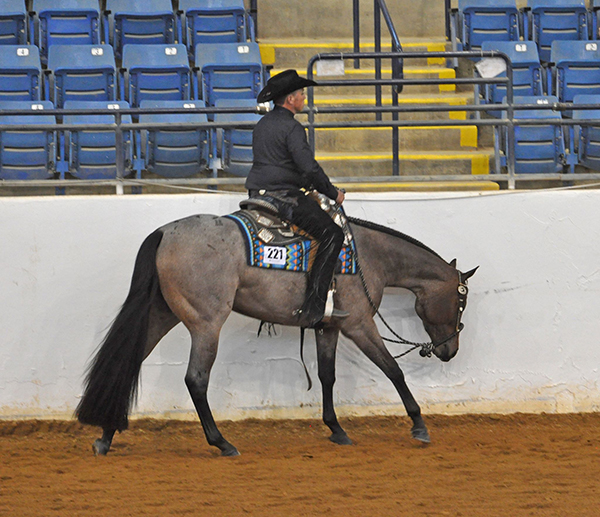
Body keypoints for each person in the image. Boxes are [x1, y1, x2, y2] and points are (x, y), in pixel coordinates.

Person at [245, 69, 349, 328]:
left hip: (257, 194)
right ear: (290, 99)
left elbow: (279, 165)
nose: (304, 97)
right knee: (333, 234)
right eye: (301, 94)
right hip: (283, 199)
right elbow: (308, 168)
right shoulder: (292, 127)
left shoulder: (262, 125)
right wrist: (332, 193)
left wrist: (306, 185)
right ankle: (316, 307)